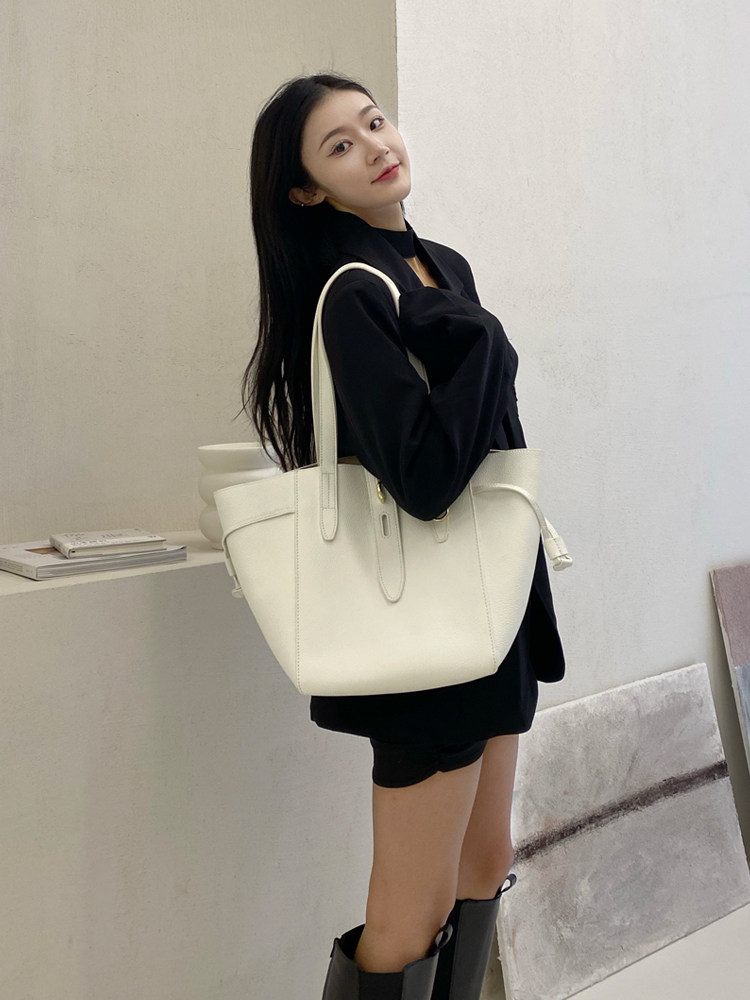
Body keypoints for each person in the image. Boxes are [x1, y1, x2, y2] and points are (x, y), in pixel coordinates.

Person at [241, 72, 566, 1000]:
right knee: (409, 907)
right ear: (308, 191)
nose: (375, 146)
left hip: (490, 603)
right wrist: (487, 343)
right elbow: (424, 480)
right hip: (425, 628)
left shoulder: (441, 266)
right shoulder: (351, 293)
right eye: (339, 145)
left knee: (483, 862)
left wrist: (476, 339)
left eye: (373, 122)